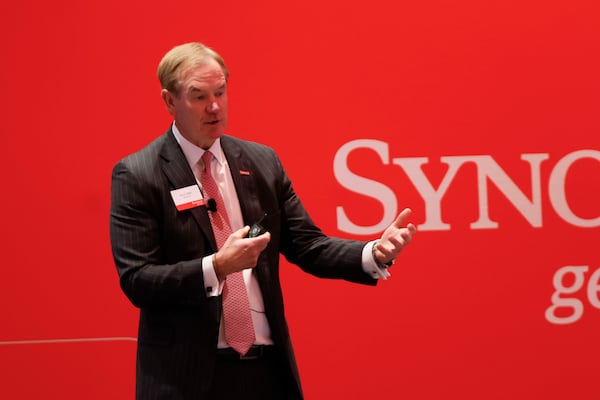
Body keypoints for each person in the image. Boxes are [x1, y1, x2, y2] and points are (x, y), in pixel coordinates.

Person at [109, 42, 417, 400]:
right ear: (169, 101)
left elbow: (308, 245)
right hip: (186, 378)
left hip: (266, 372)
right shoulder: (139, 174)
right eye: (199, 96)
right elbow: (138, 280)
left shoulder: (259, 162)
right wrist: (216, 267)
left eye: (221, 92)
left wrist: (373, 253)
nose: (214, 107)